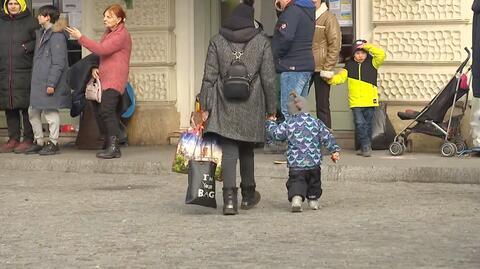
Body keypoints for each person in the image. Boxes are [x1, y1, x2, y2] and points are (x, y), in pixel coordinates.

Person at [198, 3, 277, 215]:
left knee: (230, 151)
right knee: (247, 149)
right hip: (252, 104)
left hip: (224, 102)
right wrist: (272, 109)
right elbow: (269, 78)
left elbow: (209, 77)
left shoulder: (216, 41)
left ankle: (229, 201)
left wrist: (204, 107)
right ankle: (249, 196)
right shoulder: (261, 42)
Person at [66, 4, 132, 159]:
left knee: (106, 111)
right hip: (106, 77)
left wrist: (80, 37)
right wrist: (95, 67)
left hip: (114, 79)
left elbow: (101, 49)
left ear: (119, 19)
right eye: (105, 16)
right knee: (102, 111)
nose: (105, 19)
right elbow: (104, 55)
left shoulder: (121, 34)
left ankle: (114, 146)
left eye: (109, 17)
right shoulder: (110, 32)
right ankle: (110, 143)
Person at [266, 93, 340, 212]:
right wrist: (334, 150)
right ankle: (313, 200)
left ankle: (296, 198)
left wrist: (270, 123)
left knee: (296, 181)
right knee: (314, 181)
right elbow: (327, 136)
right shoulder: (316, 122)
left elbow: (276, 134)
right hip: (313, 162)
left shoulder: (288, 123)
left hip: (296, 163)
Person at [328, 40, 386, 157]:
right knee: (360, 124)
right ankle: (365, 146)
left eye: (363, 53)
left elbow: (381, 54)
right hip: (356, 102)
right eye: (358, 53)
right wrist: (330, 79)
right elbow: (340, 78)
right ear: (353, 54)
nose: (361, 55)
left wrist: (367, 46)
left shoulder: (373, 63)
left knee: (368, 125)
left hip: (370, 100)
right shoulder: (349, 65)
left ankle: (366, 146)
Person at [25, 5, 70, 155]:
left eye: (40, 15)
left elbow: (58, 63)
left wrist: (51, 83)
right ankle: (39, 141)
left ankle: (54, 142)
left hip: (49, 82)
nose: (38, 17)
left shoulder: (57, 36)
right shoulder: (42, 33)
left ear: (48, 17)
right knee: (33, 111)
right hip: (38, 81)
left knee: (50, 112)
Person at [0, 0, 38, 153]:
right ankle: (13, 139)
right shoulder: (1, 21)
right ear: (6, 5)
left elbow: (40, 41)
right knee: (10, 107)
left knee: (25, 107)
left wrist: (27, 47)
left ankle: (28, 138)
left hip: (25, 70)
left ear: (22, 4)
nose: (13, 6)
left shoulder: (31, 21)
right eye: (10, 3)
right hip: (5, 71)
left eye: (16, 3)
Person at [272, 0, 315, 119]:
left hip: (292, 67)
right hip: (304, 66)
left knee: (289, 111)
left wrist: (275, 55)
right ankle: (302, 137)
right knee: (300, 112)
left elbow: (285, 36)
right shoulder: (306, 10)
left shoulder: (292, 11)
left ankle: (292, 138)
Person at [310, 0, 341, 129]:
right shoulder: (303, 15)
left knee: (322, 106)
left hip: (321, 68)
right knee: (296, 103)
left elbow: (335, 44)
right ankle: (299, 139)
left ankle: (326, 140)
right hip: (303, 65)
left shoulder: (328, 17)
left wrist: (327, 68)